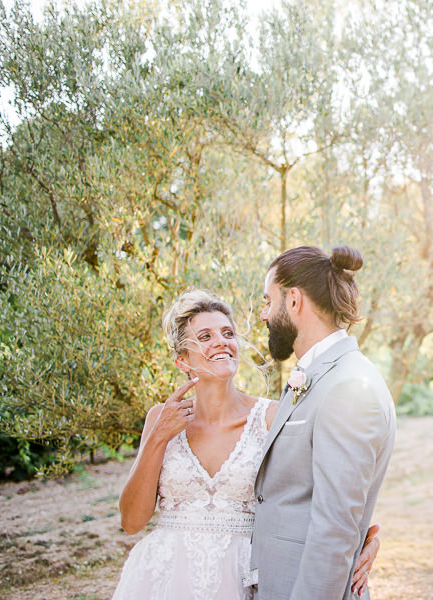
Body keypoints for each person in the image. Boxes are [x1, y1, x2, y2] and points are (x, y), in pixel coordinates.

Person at [112, 290, 379, 600]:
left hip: (247, 577)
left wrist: (367, 536)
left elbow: (322, 489)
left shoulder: (272, 417)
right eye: (205, 336)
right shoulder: (160, 418)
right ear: (182, 360)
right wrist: (158, 438)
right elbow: (131, 521)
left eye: (228, 333)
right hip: (163, 579)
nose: (222, 342)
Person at [250, 245, 396, 599]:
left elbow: (335, 527)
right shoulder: (320, 375)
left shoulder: (348, 386)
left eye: (268, 301)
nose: (263, 315)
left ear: (295, 301)